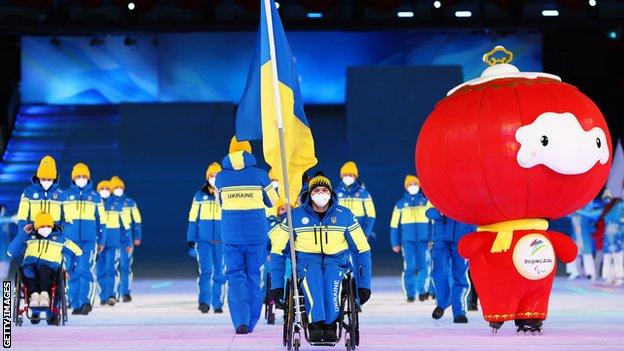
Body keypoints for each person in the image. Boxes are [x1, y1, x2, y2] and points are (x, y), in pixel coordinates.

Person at [269, 172, 372, 342]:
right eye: (316, 190)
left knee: (332, 276)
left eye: (325, 190)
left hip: (337, 263)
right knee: (313, 275)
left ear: (331, 193)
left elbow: (362, 250)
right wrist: (277, 285)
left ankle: (331, 324)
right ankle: (315, 323)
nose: (321, 194)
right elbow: (278, 250)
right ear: (309, 194)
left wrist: (364, 284)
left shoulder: (344, 215)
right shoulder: (294, 216)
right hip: (307, 263)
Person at [215, 136, 279, 334]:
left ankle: (240, 322)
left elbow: (220, 203)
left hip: (231, 235)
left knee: (234, 276)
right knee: (253, 275)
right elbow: (273, 201)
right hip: (256, 235)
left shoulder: (220, 177)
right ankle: (251, 321)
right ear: (249, 152)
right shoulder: (260, 175)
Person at [7, 212, 82, 324]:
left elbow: (78, 253)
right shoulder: (29, 237)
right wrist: (23, 234)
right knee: (27, 269)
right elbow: (11, 252)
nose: (45, 228)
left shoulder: (59, 239)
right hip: (30, 265)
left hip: (50, 269)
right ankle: (35, 297)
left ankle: (46, 298)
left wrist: (71, 271)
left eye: (48, 226)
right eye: (42, 226)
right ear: (36, 227)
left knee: (43, 268)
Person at [65, 163, 107, 315]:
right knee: (72, 272)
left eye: (84, 176)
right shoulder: (66, 196)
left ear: (88, 178)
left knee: (85, 270)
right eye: (78, 176)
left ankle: (86, 302)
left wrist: (102, 240)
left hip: (89, 241)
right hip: (70, 242)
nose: (81, 179)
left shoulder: (95, 197)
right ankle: (75, 303)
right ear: (73, 178)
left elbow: (102, 221)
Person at [187, 162, 225, 314]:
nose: (214, 178)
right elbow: (192, 217)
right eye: (212, 175)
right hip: (204, 241)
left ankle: (218, 303)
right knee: (205, 271)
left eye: (217, 175)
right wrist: (191, 237)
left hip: (222, 241)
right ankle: (204, 302)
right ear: (207, 177)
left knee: (220, 273)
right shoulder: (200, 195)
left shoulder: (226, 194)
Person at [426, 207, 475, 323]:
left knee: (460, 275)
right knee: (438, 273)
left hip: (463, 236)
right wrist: (441, 212)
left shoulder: (472, 192)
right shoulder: (439, 192)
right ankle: (443, 301)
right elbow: (429, 212)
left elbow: (478, 212)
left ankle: (459, 312)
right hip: (441, 238)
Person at [390, 175, 433, 301]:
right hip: (407, 242)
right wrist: (395, 243)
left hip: (424, 241)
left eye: (415, 184)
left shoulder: (426, 202)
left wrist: (431, 239)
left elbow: (432, 223)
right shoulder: (400, 204)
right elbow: (394, 226)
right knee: (410, 266)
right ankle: (410, 293)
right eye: (410, 184)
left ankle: (422, 291)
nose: (413, 186)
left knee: (424, 266)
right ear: (406, 187)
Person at [16, 155, 73, 244]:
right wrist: (24, 235)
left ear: (54, 178)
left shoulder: (62, 195)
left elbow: (68, 220)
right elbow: (22, 217)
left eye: (49, 179)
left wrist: (60, 235)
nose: (46, 181)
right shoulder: (28, 192)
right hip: (33, 238)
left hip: (55, 239)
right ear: (38, 177)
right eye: (43, 179)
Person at [97, 177, 131, 306]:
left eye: (107, 189)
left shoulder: (117, 205)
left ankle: (111, 295)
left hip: (113, 243)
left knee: (111, 269)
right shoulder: (96, 204)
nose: (105, 191)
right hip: (99, 244)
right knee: (100, 271)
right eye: (102, 189)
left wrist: (128, 242)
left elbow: (125, 226)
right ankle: (103, 296)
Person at [110, 176, 142, 302]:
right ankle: (113, 293)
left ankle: (126, 293)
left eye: (120, 187)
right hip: (112, 240)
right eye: (115, 188)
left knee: (125, 266)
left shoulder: (130, 202)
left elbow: (137, 220)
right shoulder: (107, 203)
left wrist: (137, 236)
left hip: (126, 239)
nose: (118, 190)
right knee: (112, 267)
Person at [336, 161, 375, 238]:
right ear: (341, 176)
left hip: (359, 233)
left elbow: (371, 215)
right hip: (340, 233)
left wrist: (366, 233)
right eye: (345, 175)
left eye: (350, 175)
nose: (348, 177)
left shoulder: (364, 194)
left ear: (355, 176)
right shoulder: (335, 193)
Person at [568, 201, 602, 281]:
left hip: (584, 238)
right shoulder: (572, 214)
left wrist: (580, 211)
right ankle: (575, 272)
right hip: (576, 238)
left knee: (587, 256)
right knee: (574, 256)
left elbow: (595, 214)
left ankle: (591, 273)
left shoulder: (585, 213)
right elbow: (565, 214)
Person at [602, 198, 624, 286]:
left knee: (608, 259)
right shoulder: (619, 214)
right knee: (618, 259)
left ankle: (608, 277)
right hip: (616, 241)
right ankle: (618, 277)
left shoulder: (607, 214)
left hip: (608, 241)